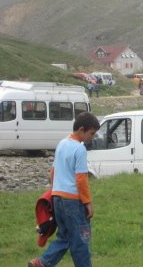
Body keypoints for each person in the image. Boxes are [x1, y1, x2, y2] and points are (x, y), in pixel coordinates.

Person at [28, 112, 101, 267]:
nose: (92, 137)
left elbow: (52, 173)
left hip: (57, 198)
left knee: (65, 236)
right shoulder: (80, 149)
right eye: (91, 133)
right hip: (73, 201)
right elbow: (81, 179)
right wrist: (87, 202)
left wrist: (53, 192)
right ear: (81, 129)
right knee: (81, 239)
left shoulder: (62, 144)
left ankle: (42, 263)